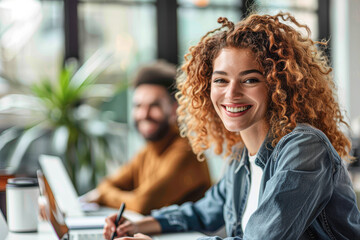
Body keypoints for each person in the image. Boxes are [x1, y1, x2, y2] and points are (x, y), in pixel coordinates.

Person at [102, 12, 360, 240]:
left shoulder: (305, 148)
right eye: (221, 80)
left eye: (249, 80)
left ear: (277, 85)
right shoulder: (240, 156)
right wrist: (141, 224)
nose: (231, 93)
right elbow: (204, 211)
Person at [83, 60, 212, 215]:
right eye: (138, 106)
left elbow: (142, 204)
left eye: (154, 105)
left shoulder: (185, 152)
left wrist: (103, 196)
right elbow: (107, 183)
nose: (144, 114)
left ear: (174, 110)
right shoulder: (148, 151)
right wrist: (104, 192)